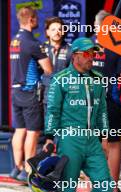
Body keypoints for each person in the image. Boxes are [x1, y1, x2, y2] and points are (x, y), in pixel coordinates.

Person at [44, 37, 113, 192]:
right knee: (67, 191)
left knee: (104, 184)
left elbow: (102, 111)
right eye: (88, 54)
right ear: (75, 55)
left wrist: (105, 137)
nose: (92, 57)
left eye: (94, 54)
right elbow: (52, 111)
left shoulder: (98, 79)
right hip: (69, 140)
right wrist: (49, 138)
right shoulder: (60, 79)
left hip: (92, 141)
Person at [80, 10, 121, 192]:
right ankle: (113, 190)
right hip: (107, 102)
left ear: (96, 26)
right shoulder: (118, 47)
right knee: (113, 144)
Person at [10, 6, 52, 181]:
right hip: (29, 92)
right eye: (36, 19)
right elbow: (49, 69)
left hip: (15, 91)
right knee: (33, 132)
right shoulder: (34, 43)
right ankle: (28, 171)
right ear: (31, 20)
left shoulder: (15, 41)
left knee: (19, 130)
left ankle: (16, 168)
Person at [42, 17, 71, 111]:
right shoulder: (41, 49)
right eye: (53, 29)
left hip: (65, 97)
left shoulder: (71, 49)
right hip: (47, 97)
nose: (57, 32)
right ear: (47, 32)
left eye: (60, 29)